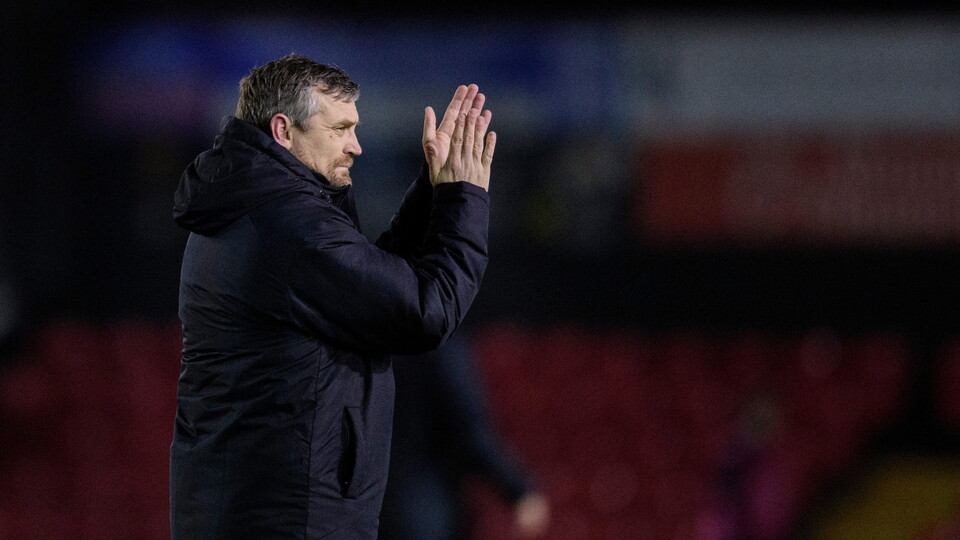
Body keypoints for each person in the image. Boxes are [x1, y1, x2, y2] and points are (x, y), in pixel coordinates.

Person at [169, 54, 495, 539]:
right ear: (284, 130)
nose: (356, 146)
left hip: (250, 509)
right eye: (341, 128)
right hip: (290, 519)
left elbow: (366, 289)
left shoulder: (248, 207)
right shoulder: (290, 227)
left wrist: (433, 189)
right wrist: (463, 195)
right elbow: (426, 310)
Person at [379, 330, 551, 540]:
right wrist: (518, 490)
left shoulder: (362, 335)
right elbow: (470, 432)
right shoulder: (438, 343)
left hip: (363, 506)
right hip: (423, 509)